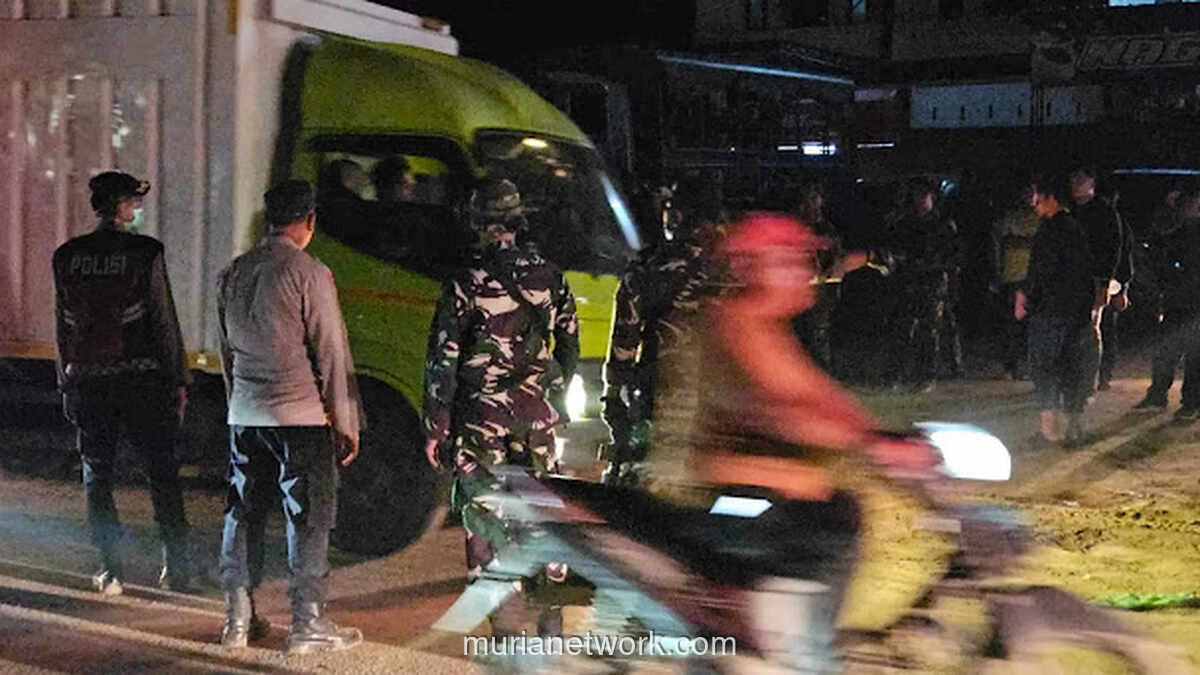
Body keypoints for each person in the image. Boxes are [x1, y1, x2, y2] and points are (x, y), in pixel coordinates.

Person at [641, 212, 937, 672]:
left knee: (830, 503)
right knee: (824, 521)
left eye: (806, 257)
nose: (805, 268)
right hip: (715, 497)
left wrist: (888, 437)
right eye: (790, 258)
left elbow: (818, 395)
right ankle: (797, 657)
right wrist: (871, 444)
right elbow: (785, 412)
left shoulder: (766, 328)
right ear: (752, 267)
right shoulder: (732, 323)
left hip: (753, 486)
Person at [421, 177, 579, 635]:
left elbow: (444, 358)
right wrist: (553, 389)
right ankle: (551, 621)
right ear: (516, 220)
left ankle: (504, 630)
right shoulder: (551, 276)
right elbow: (569, 340)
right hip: (537, 417)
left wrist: (437, 425)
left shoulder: (465, 282)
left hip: (481, 419)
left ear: (476, 223)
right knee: (545, 511)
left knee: (480, 514)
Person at [216, 180, 362, 653]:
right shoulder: (309, 273)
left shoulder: (234, 272)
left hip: (245, 414)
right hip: (300, 417)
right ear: (310, 221)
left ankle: (238, 621)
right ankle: (307, 623)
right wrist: (345, 421)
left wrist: (237, 404)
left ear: (269, 219)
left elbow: (226, 353)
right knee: (310, 518)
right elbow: (332, 352)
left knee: (242, 512)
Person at [53, 171, 193, 597]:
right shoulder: (145, 252)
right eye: (133, 202)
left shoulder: (67, 256)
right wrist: (179, 379)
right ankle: (176, 567)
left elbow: (63, 326)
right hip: (143, 381)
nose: (138, 208)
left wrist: (65, 382)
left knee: (97, 476)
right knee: (162, 474)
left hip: (90, 382)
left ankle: (110, 570)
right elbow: (163, 320)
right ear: (118, 206)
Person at [601, 177, 722, 485]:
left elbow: (625, 338)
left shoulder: (649, 269)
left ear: (676, 216)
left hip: (667, 391)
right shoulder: (736, 269)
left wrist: (614, 392)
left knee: (655, 484)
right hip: (729, 397)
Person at [1019, 175, 1100, 444]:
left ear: (1049, 197)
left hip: (1051, 310)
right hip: (1075, 312)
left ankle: (1050, 431)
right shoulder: (1076, 228)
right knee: (1072, 369)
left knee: (1044, 367)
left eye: (1036, 198)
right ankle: (1073, 429)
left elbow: (1042, 270)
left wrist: (1026, 295)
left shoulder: (1051, 229)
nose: (1033, 204)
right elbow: (1087, 271)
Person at [885, 179, 963, 392]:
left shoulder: (942, 225)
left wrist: (946, 278)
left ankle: (927, 375)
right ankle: (898, 374)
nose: (921, 200)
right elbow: (895, 250)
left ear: (932, 198)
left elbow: (953, 256)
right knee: (903, 328)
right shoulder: (905, 223)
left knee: (929, 332)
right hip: (908, 282)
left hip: (933, 283)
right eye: (918, 196)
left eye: (925, 196)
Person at [1133, 186, 1200, 420]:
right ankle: (1159, 395)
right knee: (1166, 350)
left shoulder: (1186, 231)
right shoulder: (1180, 231)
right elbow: (1160, 245)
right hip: (1177, 300)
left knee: (1194, 355)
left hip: (1192, 302)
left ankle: (1191, 402)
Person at [1068, 166, 1132, 392]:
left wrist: (1113, 284)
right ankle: (1076, 376)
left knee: (1094, 328)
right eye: (1074, 178)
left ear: (1093, 183)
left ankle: (1094, 377)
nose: (1076, 183)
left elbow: (1116, 249)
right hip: (1073, 279)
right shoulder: (1069, 212)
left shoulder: (1105, 213)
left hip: (1097, 280)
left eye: (1082, 178)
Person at [991, 186, 1042, 379]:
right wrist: (997, 272)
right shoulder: (1009, 218)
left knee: (1030, 325)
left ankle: (1029, 367)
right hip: (1012, 277)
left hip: (1032, 279)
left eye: (1033, 192)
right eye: (1026, 192)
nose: (1029, 196)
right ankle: (1011, 366)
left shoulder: (1043, 218)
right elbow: (997, 243)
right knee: (1012, 325)